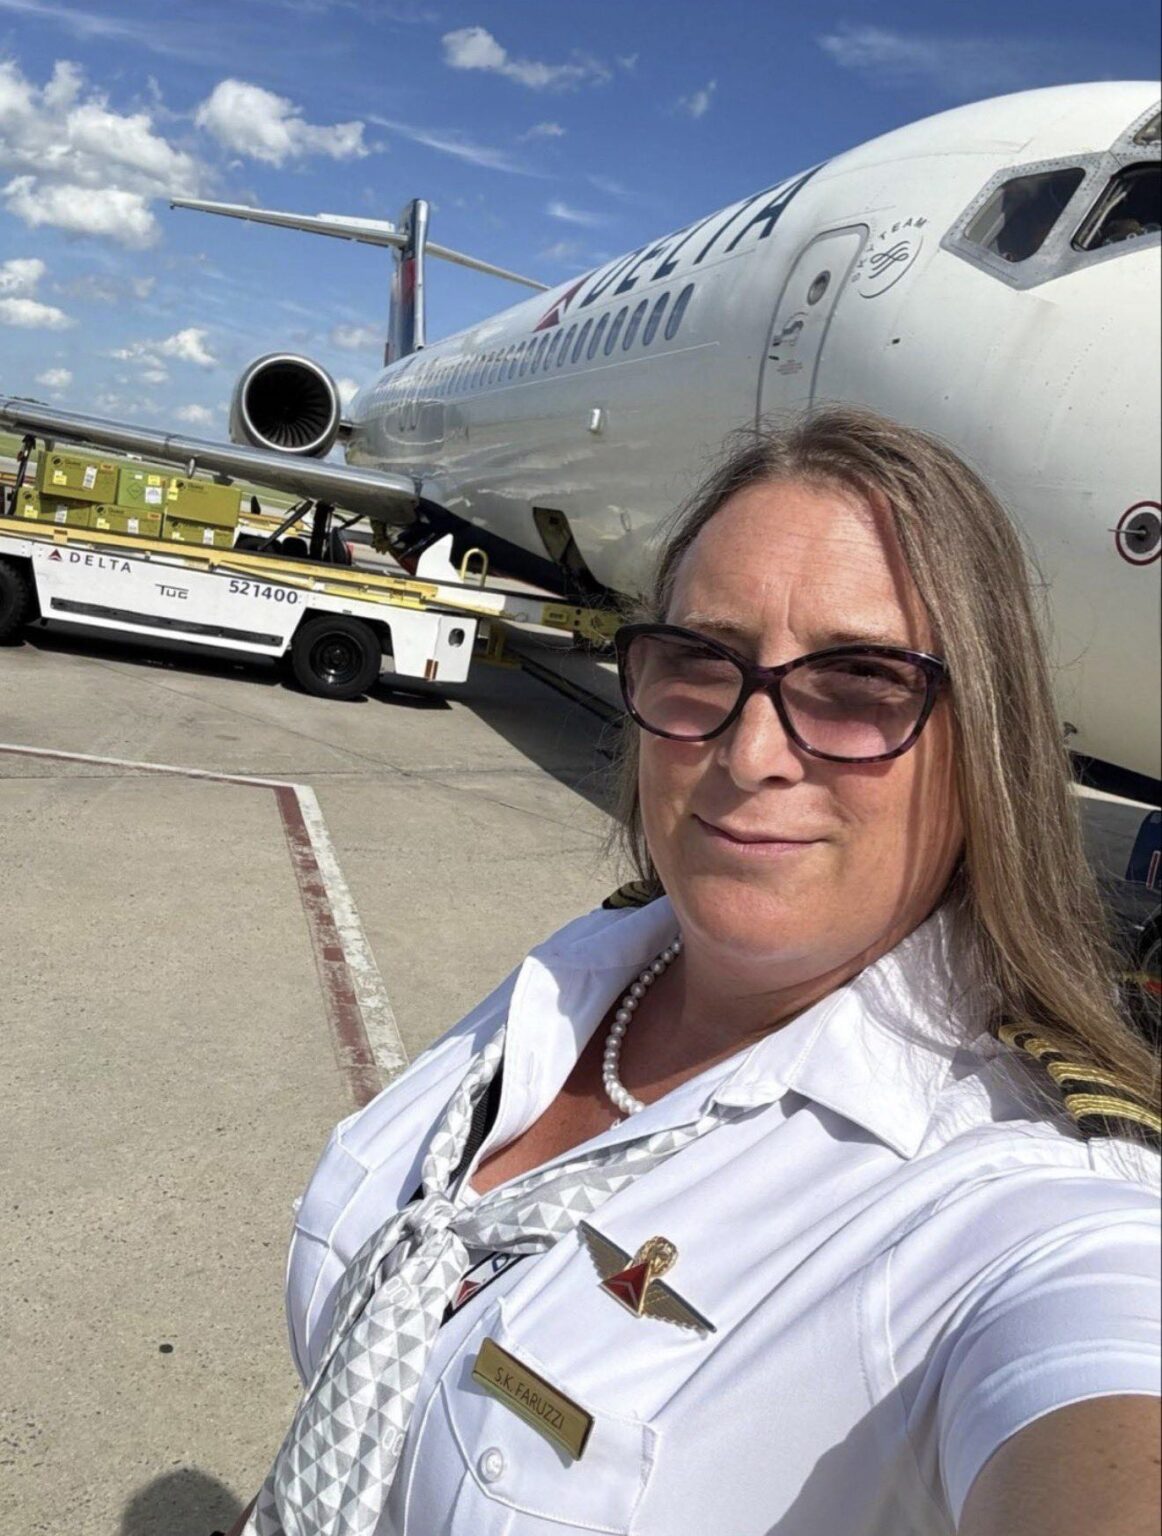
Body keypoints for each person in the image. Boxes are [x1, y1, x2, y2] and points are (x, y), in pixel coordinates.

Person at [230, 408, 1160, 1536]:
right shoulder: (589, 969)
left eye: (862, 682)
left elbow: (1091, 1377)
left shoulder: (1020, 1196)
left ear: (991, 745)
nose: (749, 754)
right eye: (701, 663)